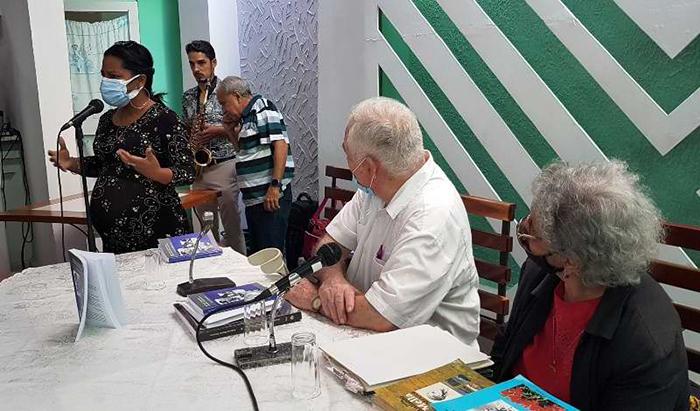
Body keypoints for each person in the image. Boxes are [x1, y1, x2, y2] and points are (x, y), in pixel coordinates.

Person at [284, 97, 481, 348]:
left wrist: (315, 300)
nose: (347, 162)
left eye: (346, 152)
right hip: (370, 338)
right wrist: (333, 280)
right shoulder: (376, 187)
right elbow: (330, 243)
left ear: (368, 167)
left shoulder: (432, 217)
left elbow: (381, 316)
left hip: (431, 356)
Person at [491, 161, 689, 410]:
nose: (524, 229)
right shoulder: (540, 274)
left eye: (532, 231)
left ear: (571, 261)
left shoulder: (646, 342)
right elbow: (505, 349)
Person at [49, 41, 195, 253]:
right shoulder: (106, 120)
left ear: (140, 80)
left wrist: (156, 173)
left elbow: (187, 171)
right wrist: (71, 163)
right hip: (113, 238)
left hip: (156, 232)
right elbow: (105, 166)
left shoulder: (164, 118)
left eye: (114, 76)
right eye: (103, 75)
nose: (106, 82)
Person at [217, 76, 295, 255]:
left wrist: (275, 186)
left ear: (236, 96)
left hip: (270, 196)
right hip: (254, 200)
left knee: (270, 255)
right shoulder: (246, 118)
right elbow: (243, 153)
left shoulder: (263, 108)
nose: (223, 110)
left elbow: (280, 145)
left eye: (224, 103)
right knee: (259, 255)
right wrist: (230, 132)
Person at [182, 40, 246, 254]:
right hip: (200, 168)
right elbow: (187, 127)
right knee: (206, 229)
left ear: (214, 62)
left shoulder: (227, 91)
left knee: (232, 224)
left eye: (201, 63)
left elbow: (244, 128)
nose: (196, 69)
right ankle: (211, 265)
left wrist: (218, 131)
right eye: (192, 64)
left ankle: (239, 265)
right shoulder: (188, 97)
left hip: (224, 164)